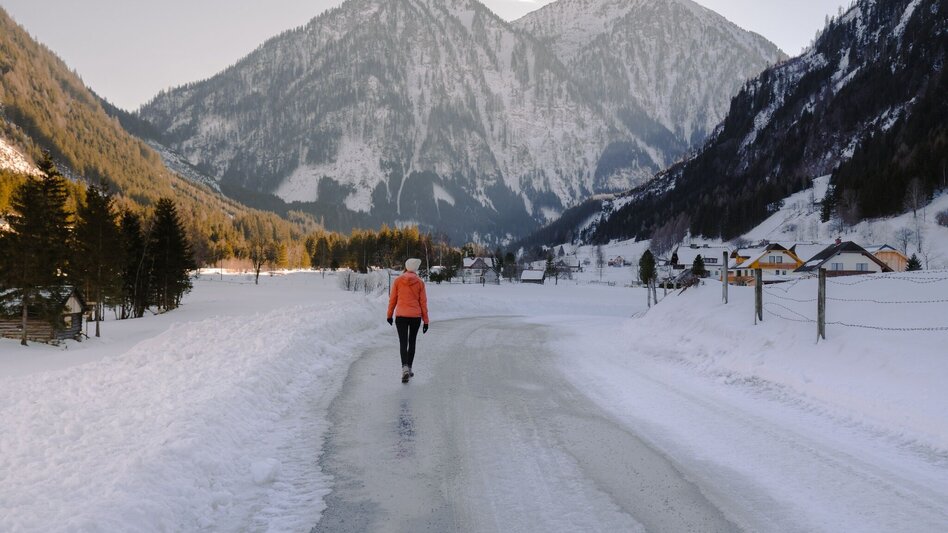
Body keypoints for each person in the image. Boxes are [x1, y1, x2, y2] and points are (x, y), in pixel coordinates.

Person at [387, 258, 430, 382]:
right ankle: (409, 368)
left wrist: (389, 315)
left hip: (401, 316)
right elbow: (423, 303)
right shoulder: (420, 283)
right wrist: (426, 321)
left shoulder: (398, 281)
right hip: (415, 317)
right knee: (412, 342)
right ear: (415, 269)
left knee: (403, 342)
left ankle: (404, 368)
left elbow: (393, 300)